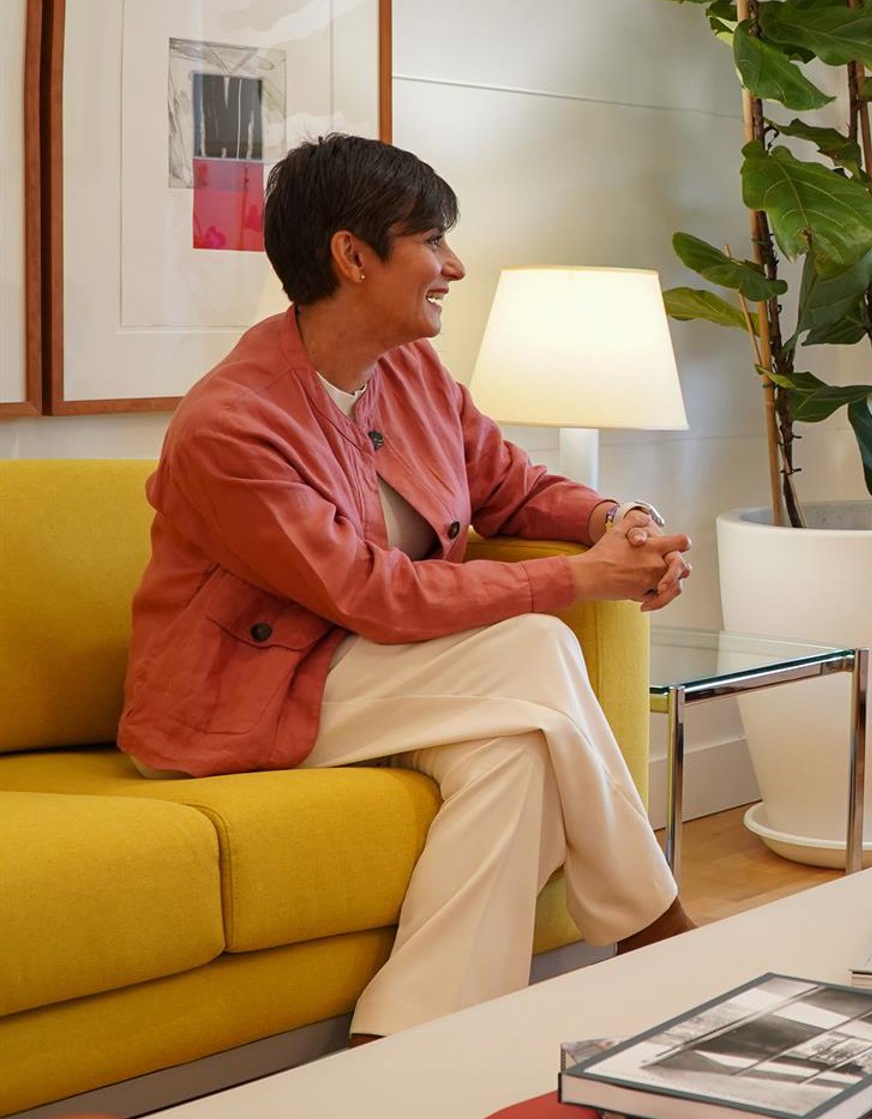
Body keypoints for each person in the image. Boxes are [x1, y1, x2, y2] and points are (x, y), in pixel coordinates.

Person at [118, 134, 697, 1040]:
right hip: (250, 696)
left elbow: (510, 485)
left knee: (515, 759)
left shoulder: (413, 374)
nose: (453, 266)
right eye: (431, 241)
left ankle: (402, 1043)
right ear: (352, 257)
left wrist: (613, 521)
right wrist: (582, 580)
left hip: (375, 674)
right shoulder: (231, 425)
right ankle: (656, 926)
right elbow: (371, 594)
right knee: (540, 643)